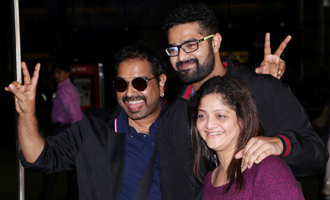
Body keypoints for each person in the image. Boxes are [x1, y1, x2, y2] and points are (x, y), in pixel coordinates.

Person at [158, 3, 327, 199]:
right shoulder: (172, 120)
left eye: (190, 45)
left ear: (215, 42)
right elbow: (176, 193)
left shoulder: (261, 89)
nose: (181, 56)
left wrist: (281, 144)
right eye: (173, 49)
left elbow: (317, 155)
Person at [5, 44, 167, 200]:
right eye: (121, 84)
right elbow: (39, 157)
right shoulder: (94, 130)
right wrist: (26, 113)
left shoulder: (184, 126)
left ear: (160, 83)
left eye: (140, 83)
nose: (130, 93)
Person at [188, 76, 304, 199]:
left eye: (220, 116)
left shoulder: (268, 169)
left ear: (243, 120)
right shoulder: (210, 178)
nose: (209, 125)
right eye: (202, 116)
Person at [39, 62, 83, 200]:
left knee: (52, 164)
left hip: (62, 129)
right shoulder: (71, 88)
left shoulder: (63, 89)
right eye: (55, 73)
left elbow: (73, 111)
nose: (56, 76)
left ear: (67, 74)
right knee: (72, 166)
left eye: (59, 73)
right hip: (69, 129)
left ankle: (45, 196)